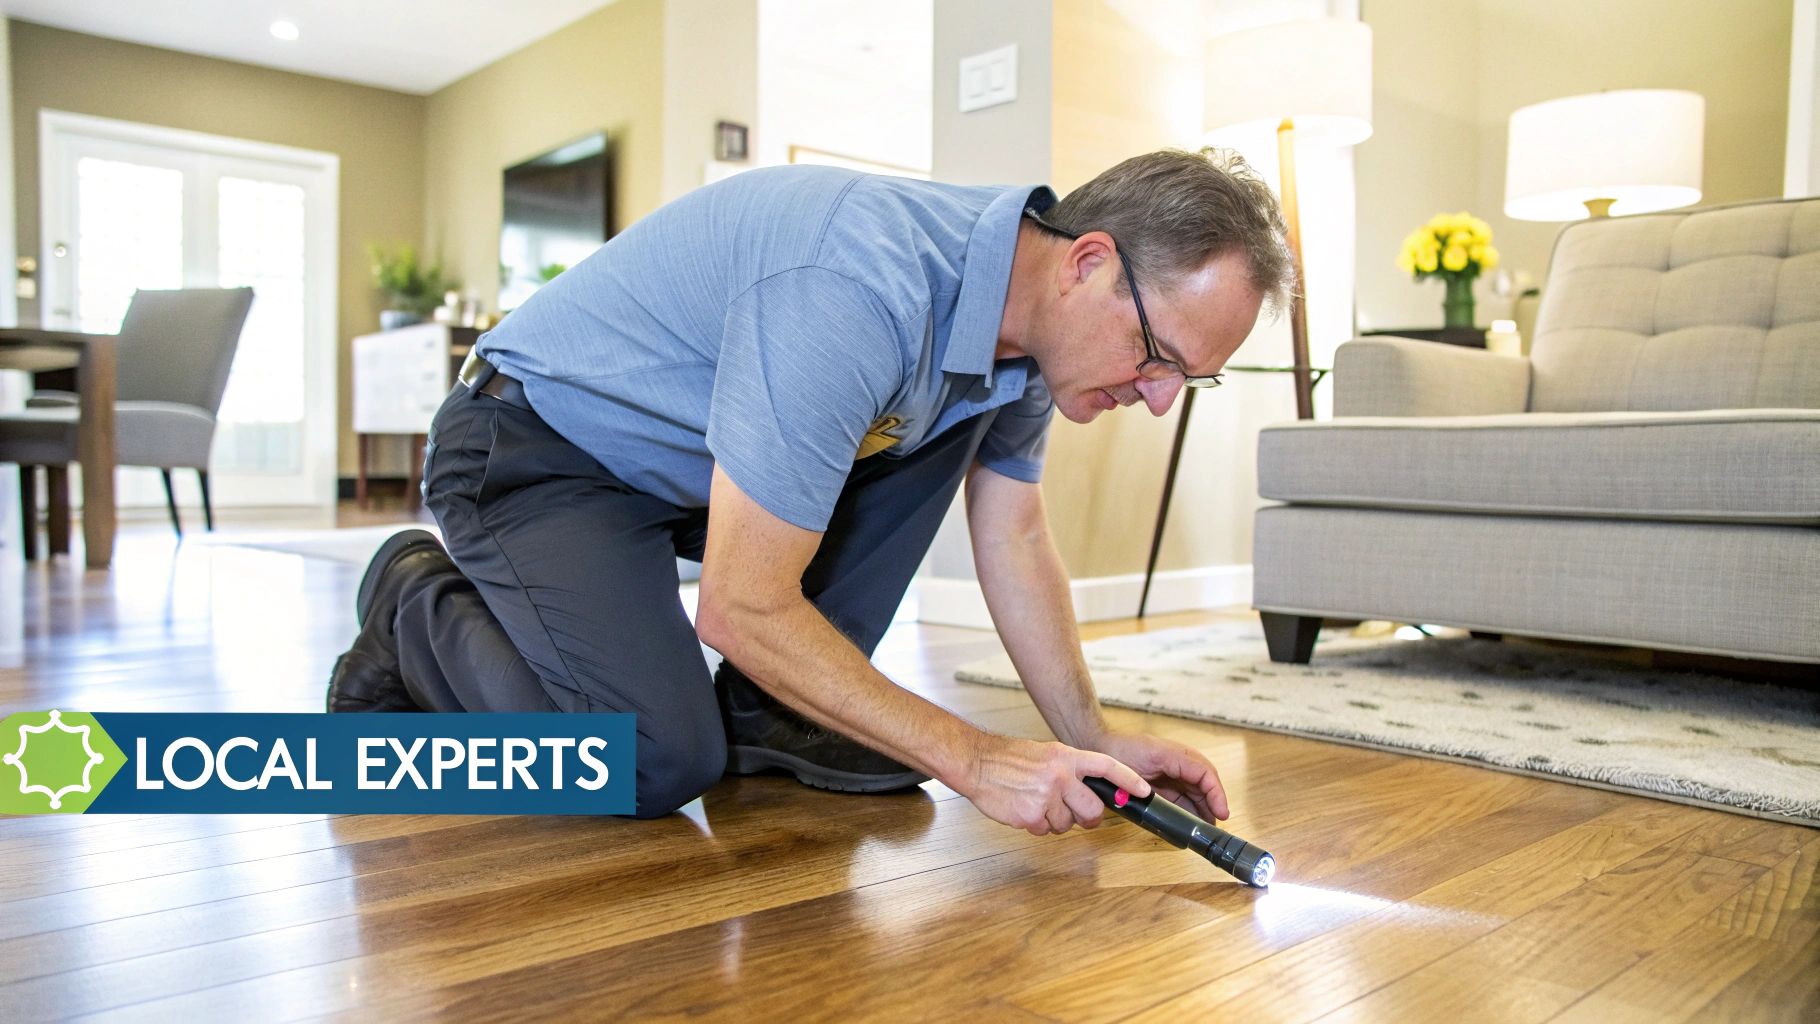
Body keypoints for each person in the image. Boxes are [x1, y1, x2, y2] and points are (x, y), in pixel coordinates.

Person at [327, 147, 1295, 835]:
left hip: (690, 474)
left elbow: (1016, 537)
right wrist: (968, 755)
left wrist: (1091, 736)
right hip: (536, 450)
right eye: (1158, 355)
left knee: (938, 427)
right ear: (1087, 263)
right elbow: (740, 603)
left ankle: (771, 714)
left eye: (1187, 381)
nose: (1159, 399)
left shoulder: (1023, 340)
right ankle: (415, 600)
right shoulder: (859, 284)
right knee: (656, 760)